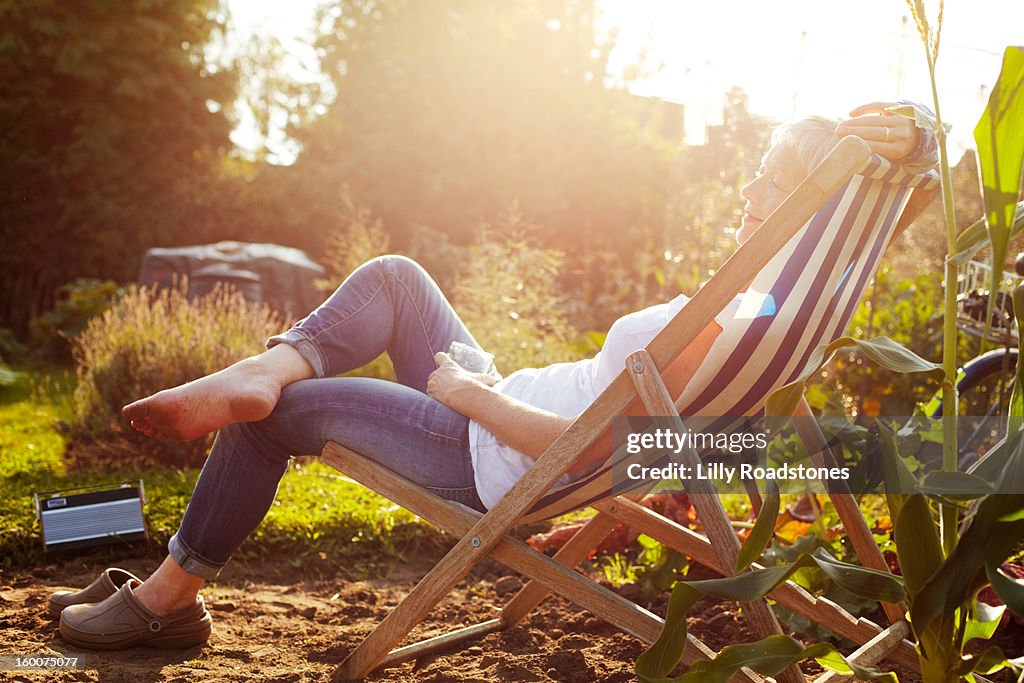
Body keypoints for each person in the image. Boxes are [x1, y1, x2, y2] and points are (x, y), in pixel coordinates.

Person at [52, 101, 936, 649]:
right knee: (398, 279)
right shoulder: (768, 317)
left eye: (764, 176)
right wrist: (907, 130)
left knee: (271, 416)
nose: (747, 183)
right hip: (496, 413)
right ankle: (262, 365)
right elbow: (641, 436)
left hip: (482, 450)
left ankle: (171, 597)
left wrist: (474, 396)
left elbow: (581, 443)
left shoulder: (727, 320)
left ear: (791, 198)